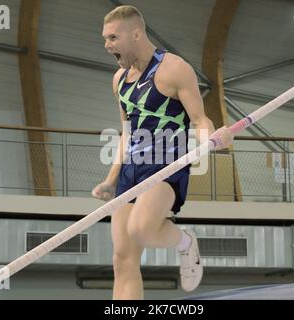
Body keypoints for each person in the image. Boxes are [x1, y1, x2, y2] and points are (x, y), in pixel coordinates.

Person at [92, 5, 234, 300]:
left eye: (113, 38)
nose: (107, 46)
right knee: (123, 259)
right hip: (130, 172)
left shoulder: (174, 69)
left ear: (136, 34)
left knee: (141, 230)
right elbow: (127, 132)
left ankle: (185, 242)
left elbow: (199, 120)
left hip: (165, 169)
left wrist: (214, 138)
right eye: (105, 39)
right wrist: (110, 178)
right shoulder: (119, 80)